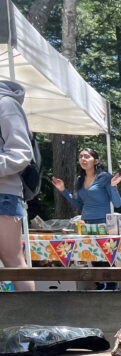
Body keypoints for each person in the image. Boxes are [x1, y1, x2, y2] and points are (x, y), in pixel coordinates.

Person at [0, 80, 35, 292]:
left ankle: (32, 322)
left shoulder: (5, 103)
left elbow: (22, 153)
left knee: (13, 261)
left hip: (3, 194)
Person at [52, 148, 121, 223]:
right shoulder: (79, 179)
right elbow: (80, 205)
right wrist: (63, 190)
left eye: (87, 156)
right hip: (85, 223)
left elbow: (117, 204)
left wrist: (113, 187)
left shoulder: (105, 177)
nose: (83, 159)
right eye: (81, 156)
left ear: (96, 161)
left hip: (103, 223)